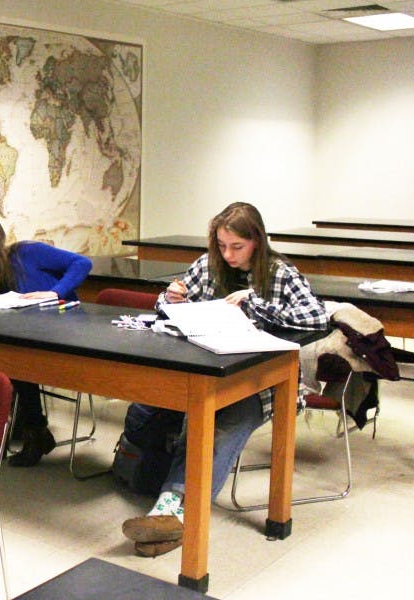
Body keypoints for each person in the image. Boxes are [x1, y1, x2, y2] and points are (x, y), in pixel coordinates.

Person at [120, 202, 329, 557]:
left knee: (220, 424)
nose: (227, 254)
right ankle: (168, 519)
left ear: (257, 242)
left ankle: (173, 511)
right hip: (208, 369)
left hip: (263, 381)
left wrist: (255, 303)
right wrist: (168, 298)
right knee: (179, 413)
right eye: (222, 245)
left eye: (237, 247)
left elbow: (317, 319)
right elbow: (173, 304)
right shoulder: (207, 265)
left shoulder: (281, 273)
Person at [0, 213, 92, 466]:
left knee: (17, 362)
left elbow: (82, 263)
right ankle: (31, 429)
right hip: (27, 333)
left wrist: (55, 291)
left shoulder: (28, 253)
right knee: (4, 357)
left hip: (64, 327)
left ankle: (35, 430)